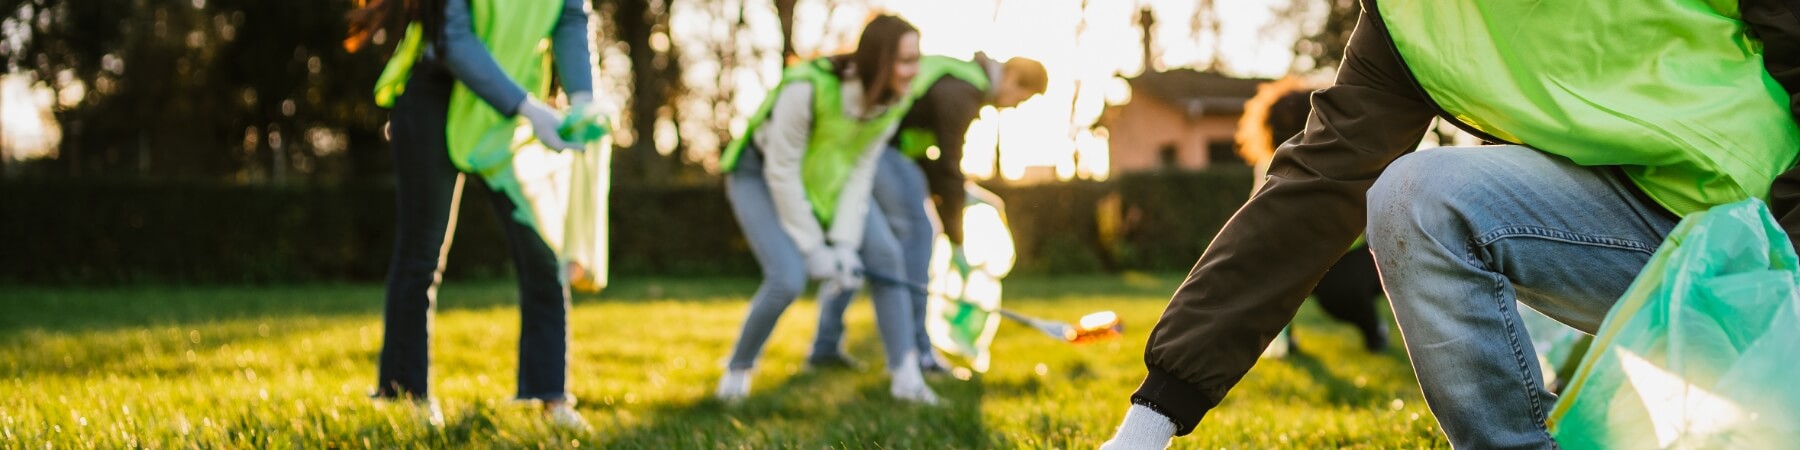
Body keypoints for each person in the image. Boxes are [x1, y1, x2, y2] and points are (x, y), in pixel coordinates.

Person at [1101, 0, 1800, 448]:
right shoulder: (1411, 21)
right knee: (1414, 195)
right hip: (1647, 243)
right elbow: (1311, 192)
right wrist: (1150, 421)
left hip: (1777, 225)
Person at [346, 0, 598, 428]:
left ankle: (548, 398)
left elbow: (570, 16)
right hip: (438, 95)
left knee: (543, 250)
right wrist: (530, 109)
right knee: (422, 253)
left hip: (512, 108)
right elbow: (454, 38)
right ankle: (404, 398)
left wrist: (584, 100)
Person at [712, 15, 939, 404]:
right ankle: (737, 370)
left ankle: (906, 375)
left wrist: (845, 245)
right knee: (787, 278)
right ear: (878, 61)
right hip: (760, 176)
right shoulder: (808, 86)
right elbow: (781, 171)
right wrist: (815, 248)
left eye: (916, 59)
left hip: (829, 186)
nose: (913, 71)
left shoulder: (894, 101)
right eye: (905, 61)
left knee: (885, 255)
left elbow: (859, 171)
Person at [807, 52, 1048, 373]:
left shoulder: (960, 78)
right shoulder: (963, 89)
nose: (1013, 106)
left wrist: (968, 196)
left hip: (869, 149)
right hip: (875, 150)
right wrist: (957, 237)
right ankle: (918, 351)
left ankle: (825, 346)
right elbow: (948, 164)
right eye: (1020, 99)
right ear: (1012, 76)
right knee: (919, 234)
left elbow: (926, 153)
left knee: (860, 245)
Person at [1236, 78, 1389, 356]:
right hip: (1310, 252)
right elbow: (1261, 218)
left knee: (1338, 290)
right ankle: (1284, 341)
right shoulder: (1269, 167)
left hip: (1362, 252)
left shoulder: (1346, 156)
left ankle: (1375, 331)